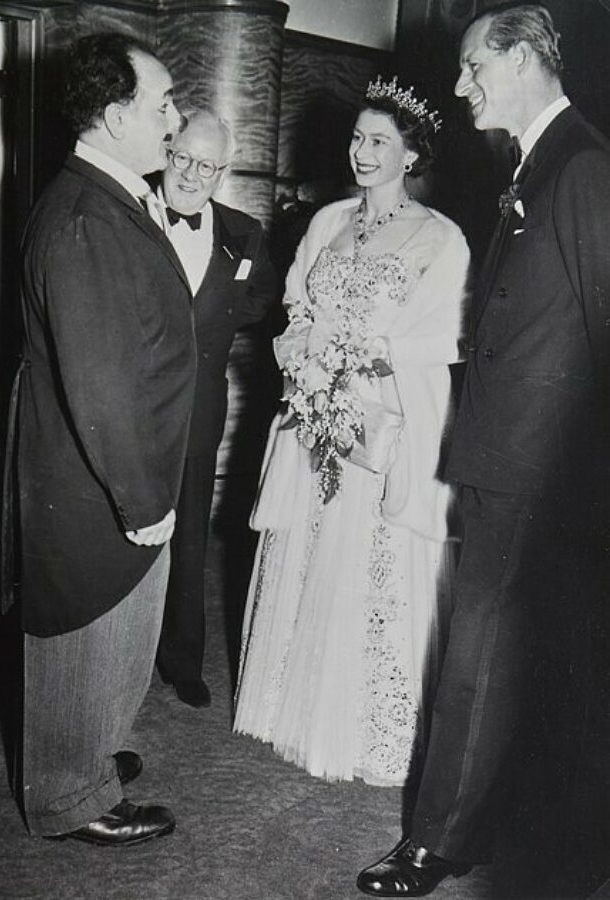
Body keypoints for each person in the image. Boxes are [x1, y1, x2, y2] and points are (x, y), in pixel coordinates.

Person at [357, 6, 610, 896]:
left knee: (482, 656)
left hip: (543, 471)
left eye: (472, 68)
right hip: (513, 459)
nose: (460, 87)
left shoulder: (579, 168)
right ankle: (503, 827)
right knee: (502, 657)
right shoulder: (537, 164)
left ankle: (438, 841)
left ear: (519, 60)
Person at [232, 76, 470, 788]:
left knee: (374, 566)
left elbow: (443, 335)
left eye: (378, 141)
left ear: (411, 155)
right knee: (309, 551)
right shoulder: (329, 220)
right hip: (317, 416)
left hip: (385, 420)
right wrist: (310, 360)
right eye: (357, 138)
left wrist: (363, 364)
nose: (361, 152)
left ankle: (374, 727)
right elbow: (297, 302)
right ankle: (292, 707)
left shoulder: (440, 238)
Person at [1, 31, 190, 847]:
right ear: (115, 117)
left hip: (102, 469)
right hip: (94, 477)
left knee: (116, 625)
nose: (175, 120)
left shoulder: (105, 196)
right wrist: (142, 497)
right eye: (162, 104)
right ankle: (72, 796)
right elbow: (103, 382)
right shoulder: (86, 217)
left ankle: (85, 757)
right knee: (87, 621)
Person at [150, 110, 281, 708]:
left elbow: (259, 297)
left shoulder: (244, 232)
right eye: (183, 158)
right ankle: (122, 654)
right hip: (135, 404)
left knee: (192, 536)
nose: (192, 174)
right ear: (167, 149)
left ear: (222, 171)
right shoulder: (134, 214)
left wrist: (214, 327)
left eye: (207, 165)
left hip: (202, 402)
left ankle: (183, 660)